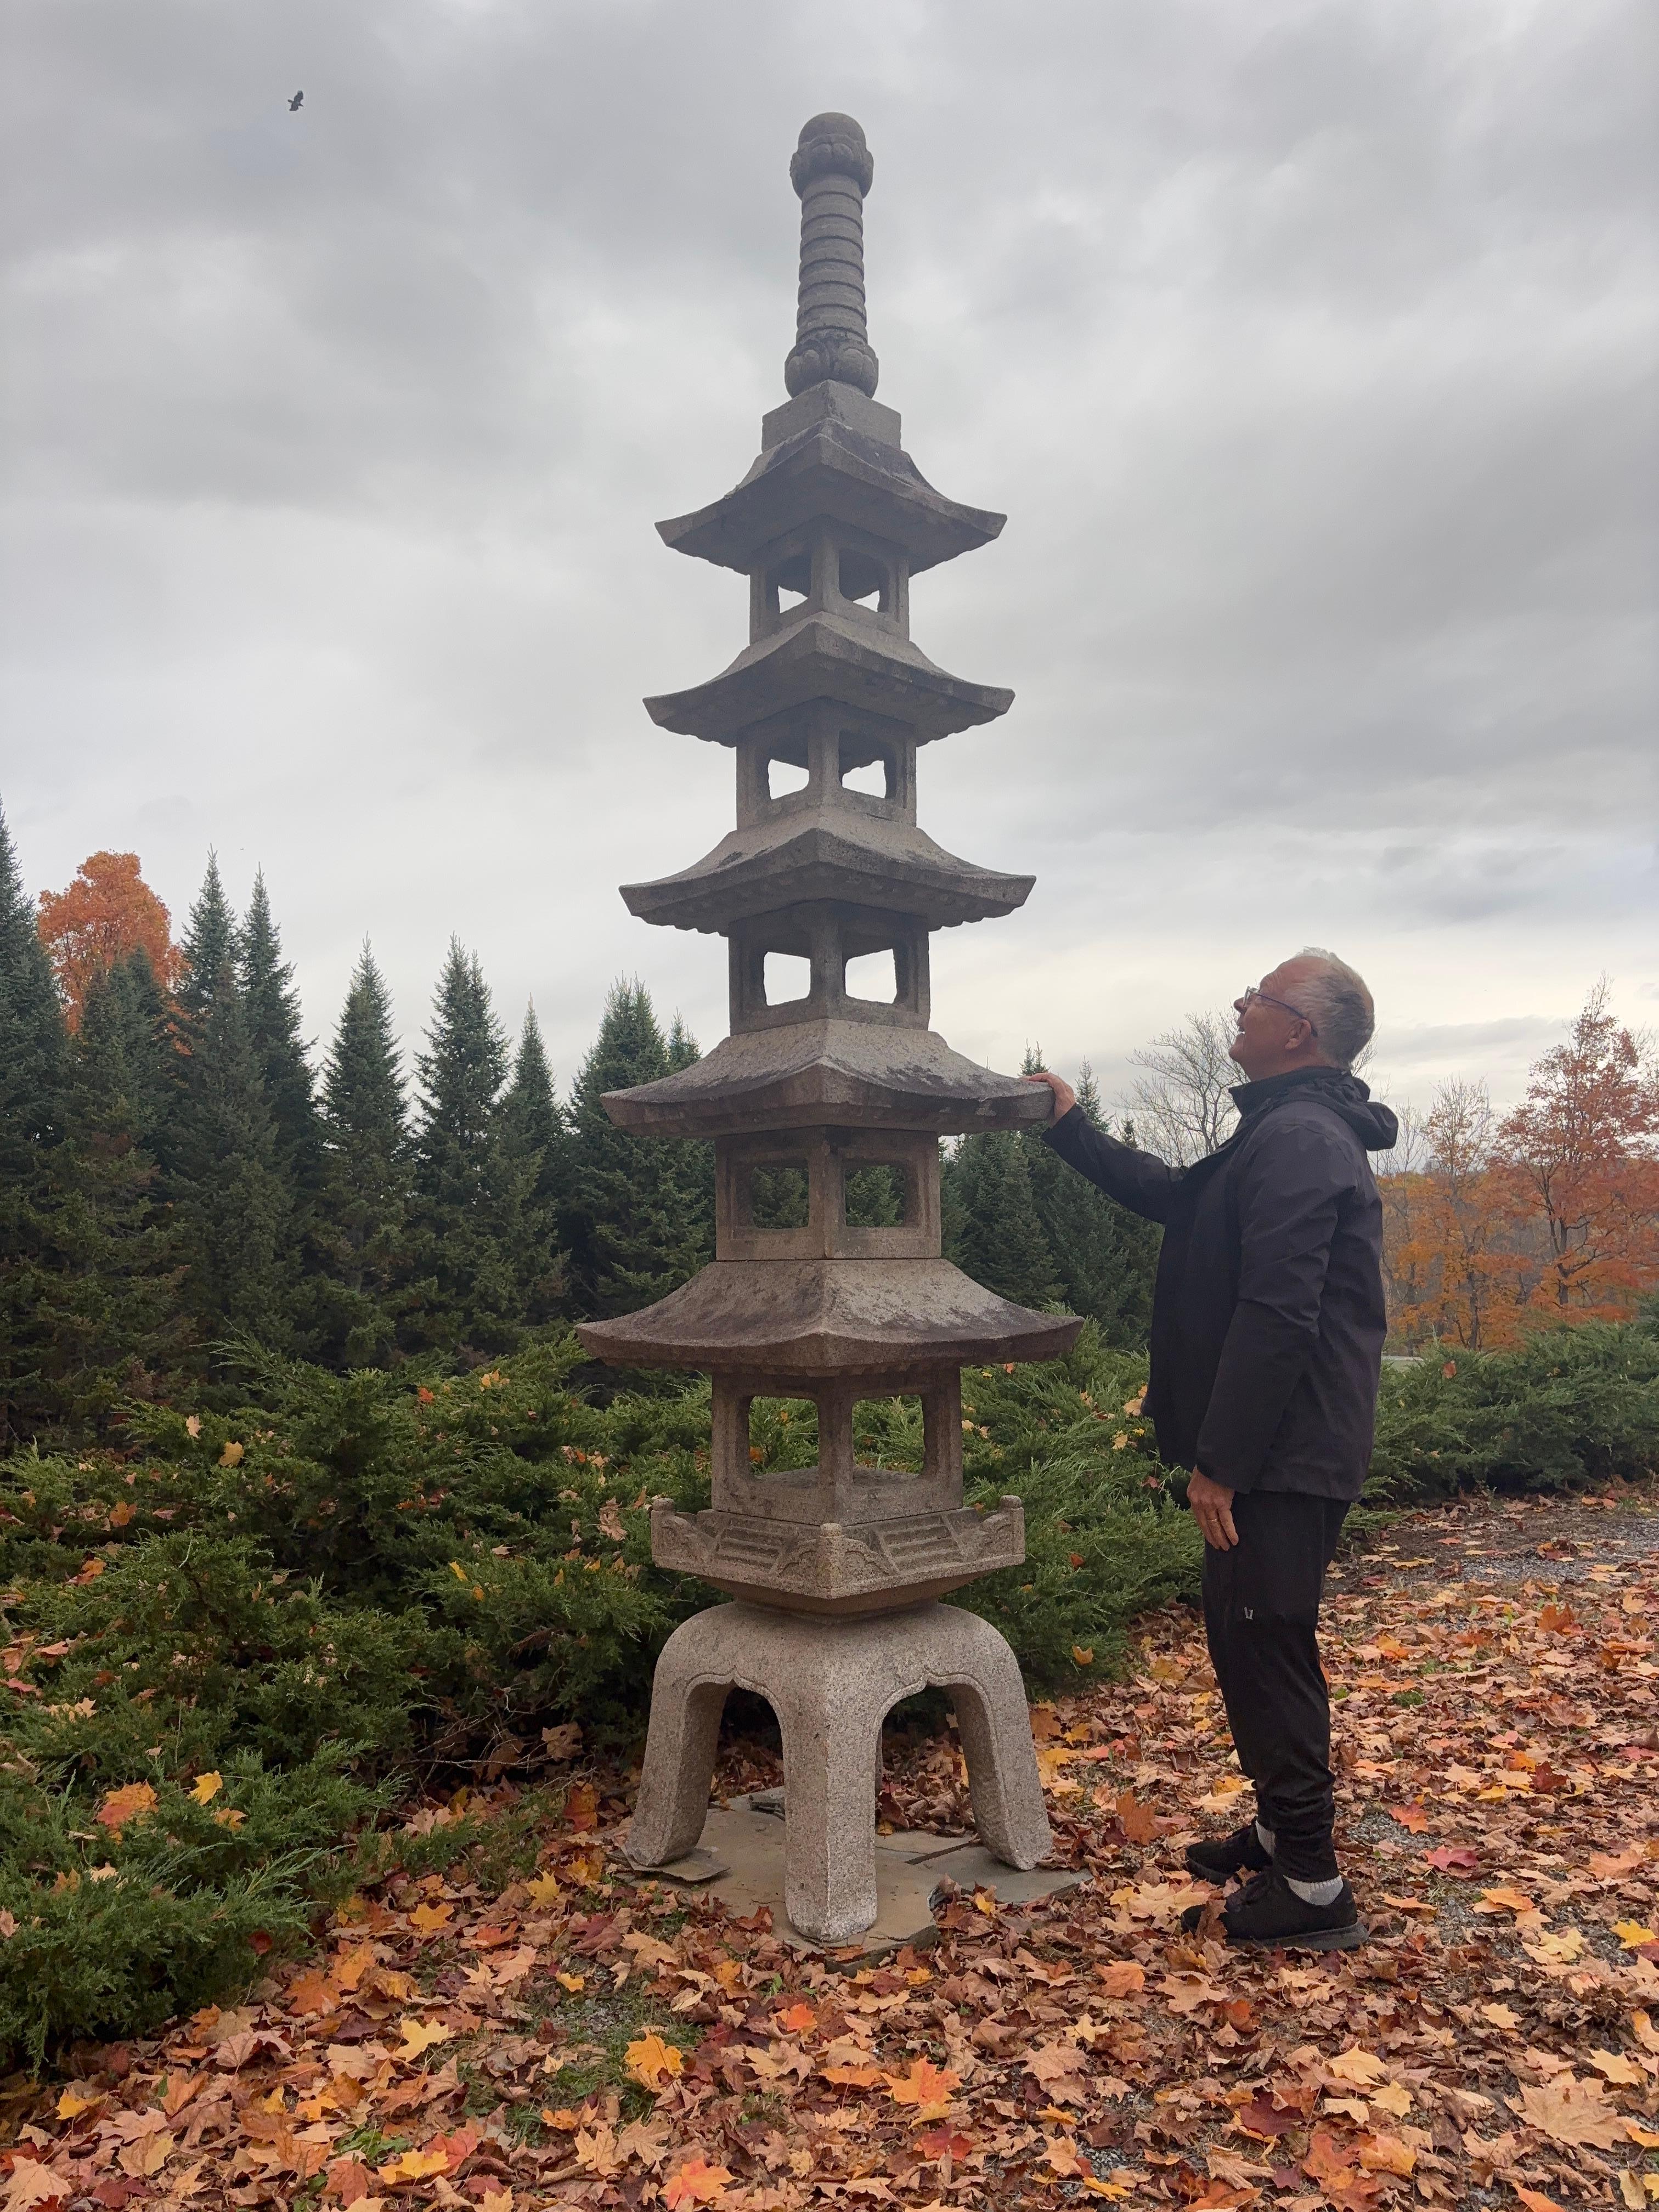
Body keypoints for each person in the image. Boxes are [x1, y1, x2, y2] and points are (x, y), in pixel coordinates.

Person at [1025, 950, 1397, 1949]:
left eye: (1259, 999)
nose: (1240, 1004)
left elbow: (1281, 1313)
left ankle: (1312, 1889)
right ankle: (1282, 1834)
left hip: (1281, 1453)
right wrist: (1069, 1127)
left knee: (1265, 1644)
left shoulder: (1303, 1140)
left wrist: (1222, 1460)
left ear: (1298, 1033)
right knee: (1248, 1636)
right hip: (1279, 1447)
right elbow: (1176, 1198)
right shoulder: (1279, 1133)